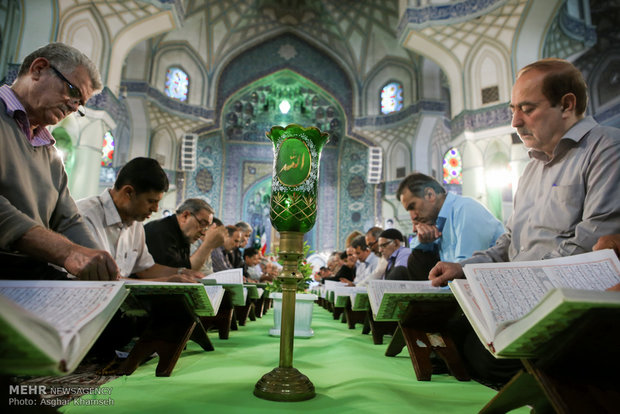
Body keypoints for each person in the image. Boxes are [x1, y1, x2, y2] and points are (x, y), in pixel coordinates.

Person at [429, 58, 620, 387]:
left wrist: (516, 282)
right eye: (513, 109)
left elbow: (592, 244)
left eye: (527, 108)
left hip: (565, 304)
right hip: (520, 294)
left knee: (484, 355)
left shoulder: (606, 148)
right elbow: (508, 243)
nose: (516, 121)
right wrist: (466, 267)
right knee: (446, 326)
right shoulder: (532, 167)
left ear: (567, 105)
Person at [0, 42, 118, 281]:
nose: (74, 107)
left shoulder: (50, 155)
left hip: (30, 277)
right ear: (38, 69)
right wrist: (67, 252)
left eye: (80, 104)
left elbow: (68, 220)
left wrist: (103, 267)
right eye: (73, 92)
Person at [77, 157, 202, 281]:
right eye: (151, 201)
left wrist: (183, 272)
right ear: (128, 193)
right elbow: (102, 282)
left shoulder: (135, 222)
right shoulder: (85, 217)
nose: (155, 209)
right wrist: (166, 282)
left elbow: (145, 269)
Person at [396, 172, 505, 280]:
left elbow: (467, 270)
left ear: (430, 195)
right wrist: (424, 241)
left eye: (413, 206)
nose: (413, 217)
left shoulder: (465, 209)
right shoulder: (438, 222)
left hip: (490, 285)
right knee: (416, 258)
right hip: (461, 286)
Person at [144, 198, 225, 271]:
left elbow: (185, 272)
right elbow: (176, 275)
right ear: (185, 216)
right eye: (202, 224)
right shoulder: (161, 231)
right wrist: (208, 245)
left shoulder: (183, 236)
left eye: (207, 228)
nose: (203, 232)